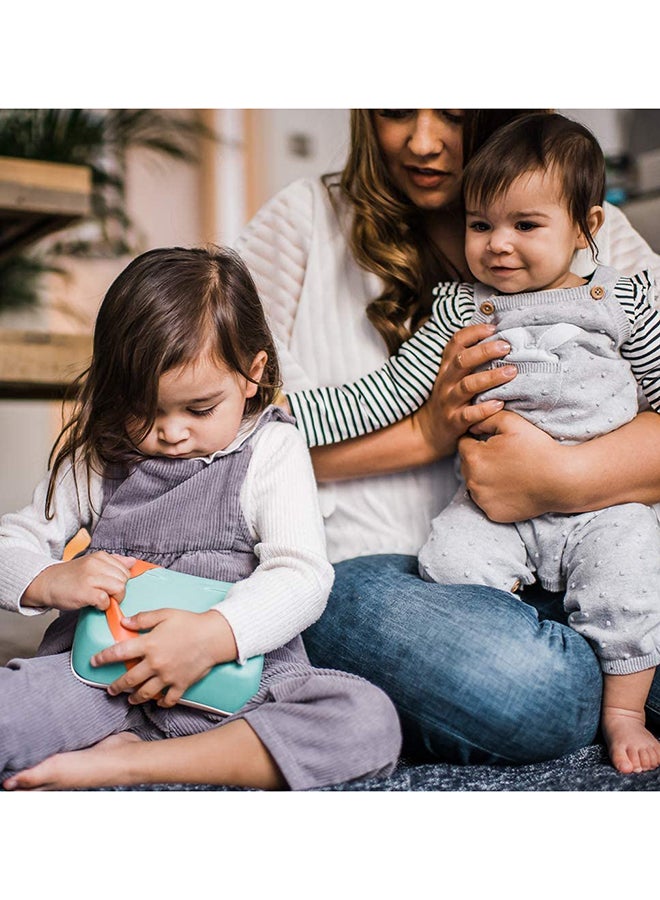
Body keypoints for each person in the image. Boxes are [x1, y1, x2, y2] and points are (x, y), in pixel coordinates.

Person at [233, 109, 660, 768]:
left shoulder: (611, 277)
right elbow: (244, 429)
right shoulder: (446, 296)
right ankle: (598, 677)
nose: (425, 140)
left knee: (620, 579)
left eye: (455, 116)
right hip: (393, 565)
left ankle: (608, 685)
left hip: (598, 524)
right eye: (396, 110)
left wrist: (556, 479)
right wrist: (427, 432)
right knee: (536, 688)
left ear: (584, 228)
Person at [0, 245, 401, 791]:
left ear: (252, 374)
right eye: (144, 408)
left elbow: (302, 574)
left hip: (235, 683)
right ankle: (120, 742)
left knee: (366, 722)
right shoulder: (100, 453)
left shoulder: (272, 450)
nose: (170, 432)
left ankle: (125, 762)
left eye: (199, 409)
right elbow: (14, 538)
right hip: (98, 678)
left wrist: (212, 636)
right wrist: (47, 578)